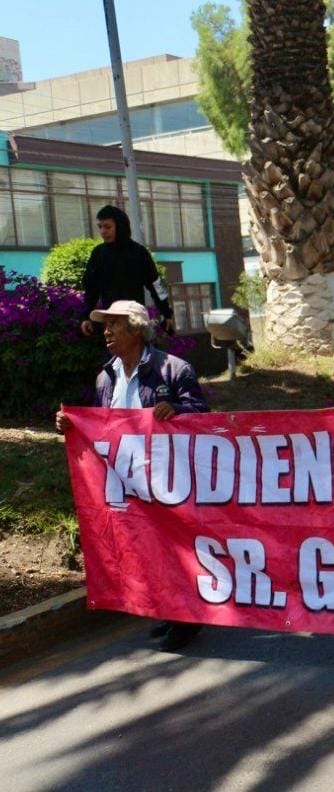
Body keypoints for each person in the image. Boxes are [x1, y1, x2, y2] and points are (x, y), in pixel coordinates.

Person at [56, 300, 209, 652]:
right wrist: (71, 425)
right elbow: (100, 426)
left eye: (114, 324)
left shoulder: (173, 369)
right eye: (104, 325)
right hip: (126, 478)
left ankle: (188, 620)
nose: (106, 332)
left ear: (136, 329)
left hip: (169, 478)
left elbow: (203, 417)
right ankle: (171, 612)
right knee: (147, 547)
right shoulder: (105, 376)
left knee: (175, 546)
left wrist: (178, 410)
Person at [80, 205, 175, 337]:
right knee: (117, 356)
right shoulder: (98, 254)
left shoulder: (139, 253)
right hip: (112, 321)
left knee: (139, 355)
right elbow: (91, 288)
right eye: (100, 227)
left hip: (135, 320)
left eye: (107, 227)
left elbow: (155, 284)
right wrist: (86, 316)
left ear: (120, 226)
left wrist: (166, 313)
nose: (102, 231)